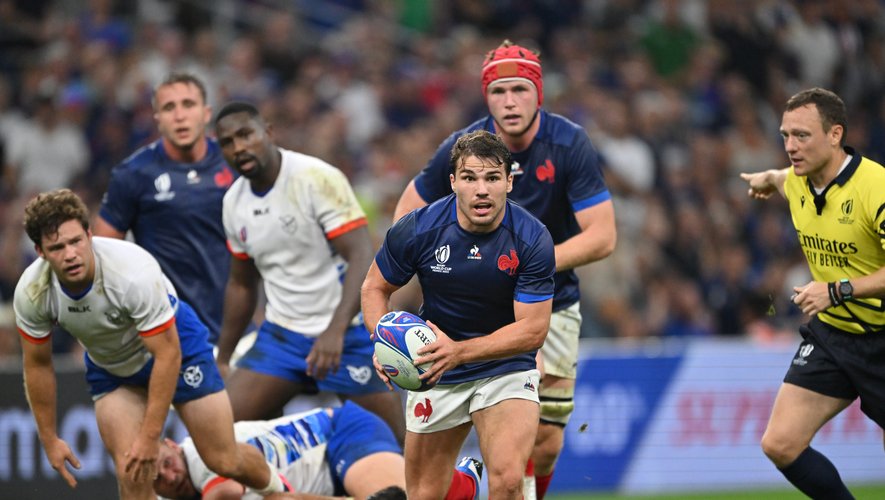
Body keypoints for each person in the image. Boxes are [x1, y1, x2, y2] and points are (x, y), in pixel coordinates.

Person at [393, 39, 616, 498]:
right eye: (498, 92)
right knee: (450, 478)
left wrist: (524, 265)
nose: (509, 102)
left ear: (539, 93)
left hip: (549, 303)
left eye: (519, 89)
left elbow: (602, 236)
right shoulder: (464, 149)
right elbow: (404, 221)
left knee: (547, 443)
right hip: (469, 309)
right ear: (485, 96)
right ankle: (476, 485)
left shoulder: (568, 143)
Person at [13, 189, 285, 499]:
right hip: (112, 366)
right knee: (132, 472)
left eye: (76, 241)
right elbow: (37, 365)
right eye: (57, 247)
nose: (70, 254)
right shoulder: (32, 292)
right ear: (40, 251)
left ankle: (280, 490)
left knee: (222, 458)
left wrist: (149, 436)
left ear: (89, 234)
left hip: (175, 348)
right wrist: (49, 439)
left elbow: (167, 355)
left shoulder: (131, 272)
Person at [363, 130, 556, 499]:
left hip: (506, 365)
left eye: (492, 178)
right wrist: (381, 340)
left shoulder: (532, 238)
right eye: (469, 178)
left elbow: (533, 331)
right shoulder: (418, 229)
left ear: (509, 182)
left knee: (507, 481)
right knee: (423, 494)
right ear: (452, 182)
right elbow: (374, 288)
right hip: (435, 369)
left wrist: (460, 352)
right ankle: (466, 485)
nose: (481, 189)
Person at [212, 102, 406, 443]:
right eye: (227, 142)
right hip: (283, 337)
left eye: (245, 134)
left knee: (396, 447)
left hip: (347, 335)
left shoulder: (315, 178)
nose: (238, 147)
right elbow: (241, 285)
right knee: (221, 434)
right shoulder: (233, 203)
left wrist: (334, 330)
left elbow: (361, 254)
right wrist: (224, 357)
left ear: (268, 133)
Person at [740, 87, 885, 499]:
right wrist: (768, 179)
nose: (790, 146)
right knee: (780, 443)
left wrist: (837, 290)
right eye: (785, 135)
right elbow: (783, 177)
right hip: (836, 335)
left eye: (802, 135)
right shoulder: (798, 179)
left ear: (835, 134)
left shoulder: (877, 188)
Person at [94, 72, 237, 345]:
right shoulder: (133, 173)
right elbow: (102, 254)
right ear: (157, 119)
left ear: (206, 113)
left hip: (237, 327)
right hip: (169, 331)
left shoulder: (235, 163)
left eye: (188, 104)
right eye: (169, 108)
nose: (180, 115)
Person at [153, 401, 484, 500]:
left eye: (166, 463)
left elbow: (225, 493)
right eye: (160, 479)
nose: (171, 475)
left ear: (171, 444)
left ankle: (464, 485)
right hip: (321, 486)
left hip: (342, 436)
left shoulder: (199, 452)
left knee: (400, 499)